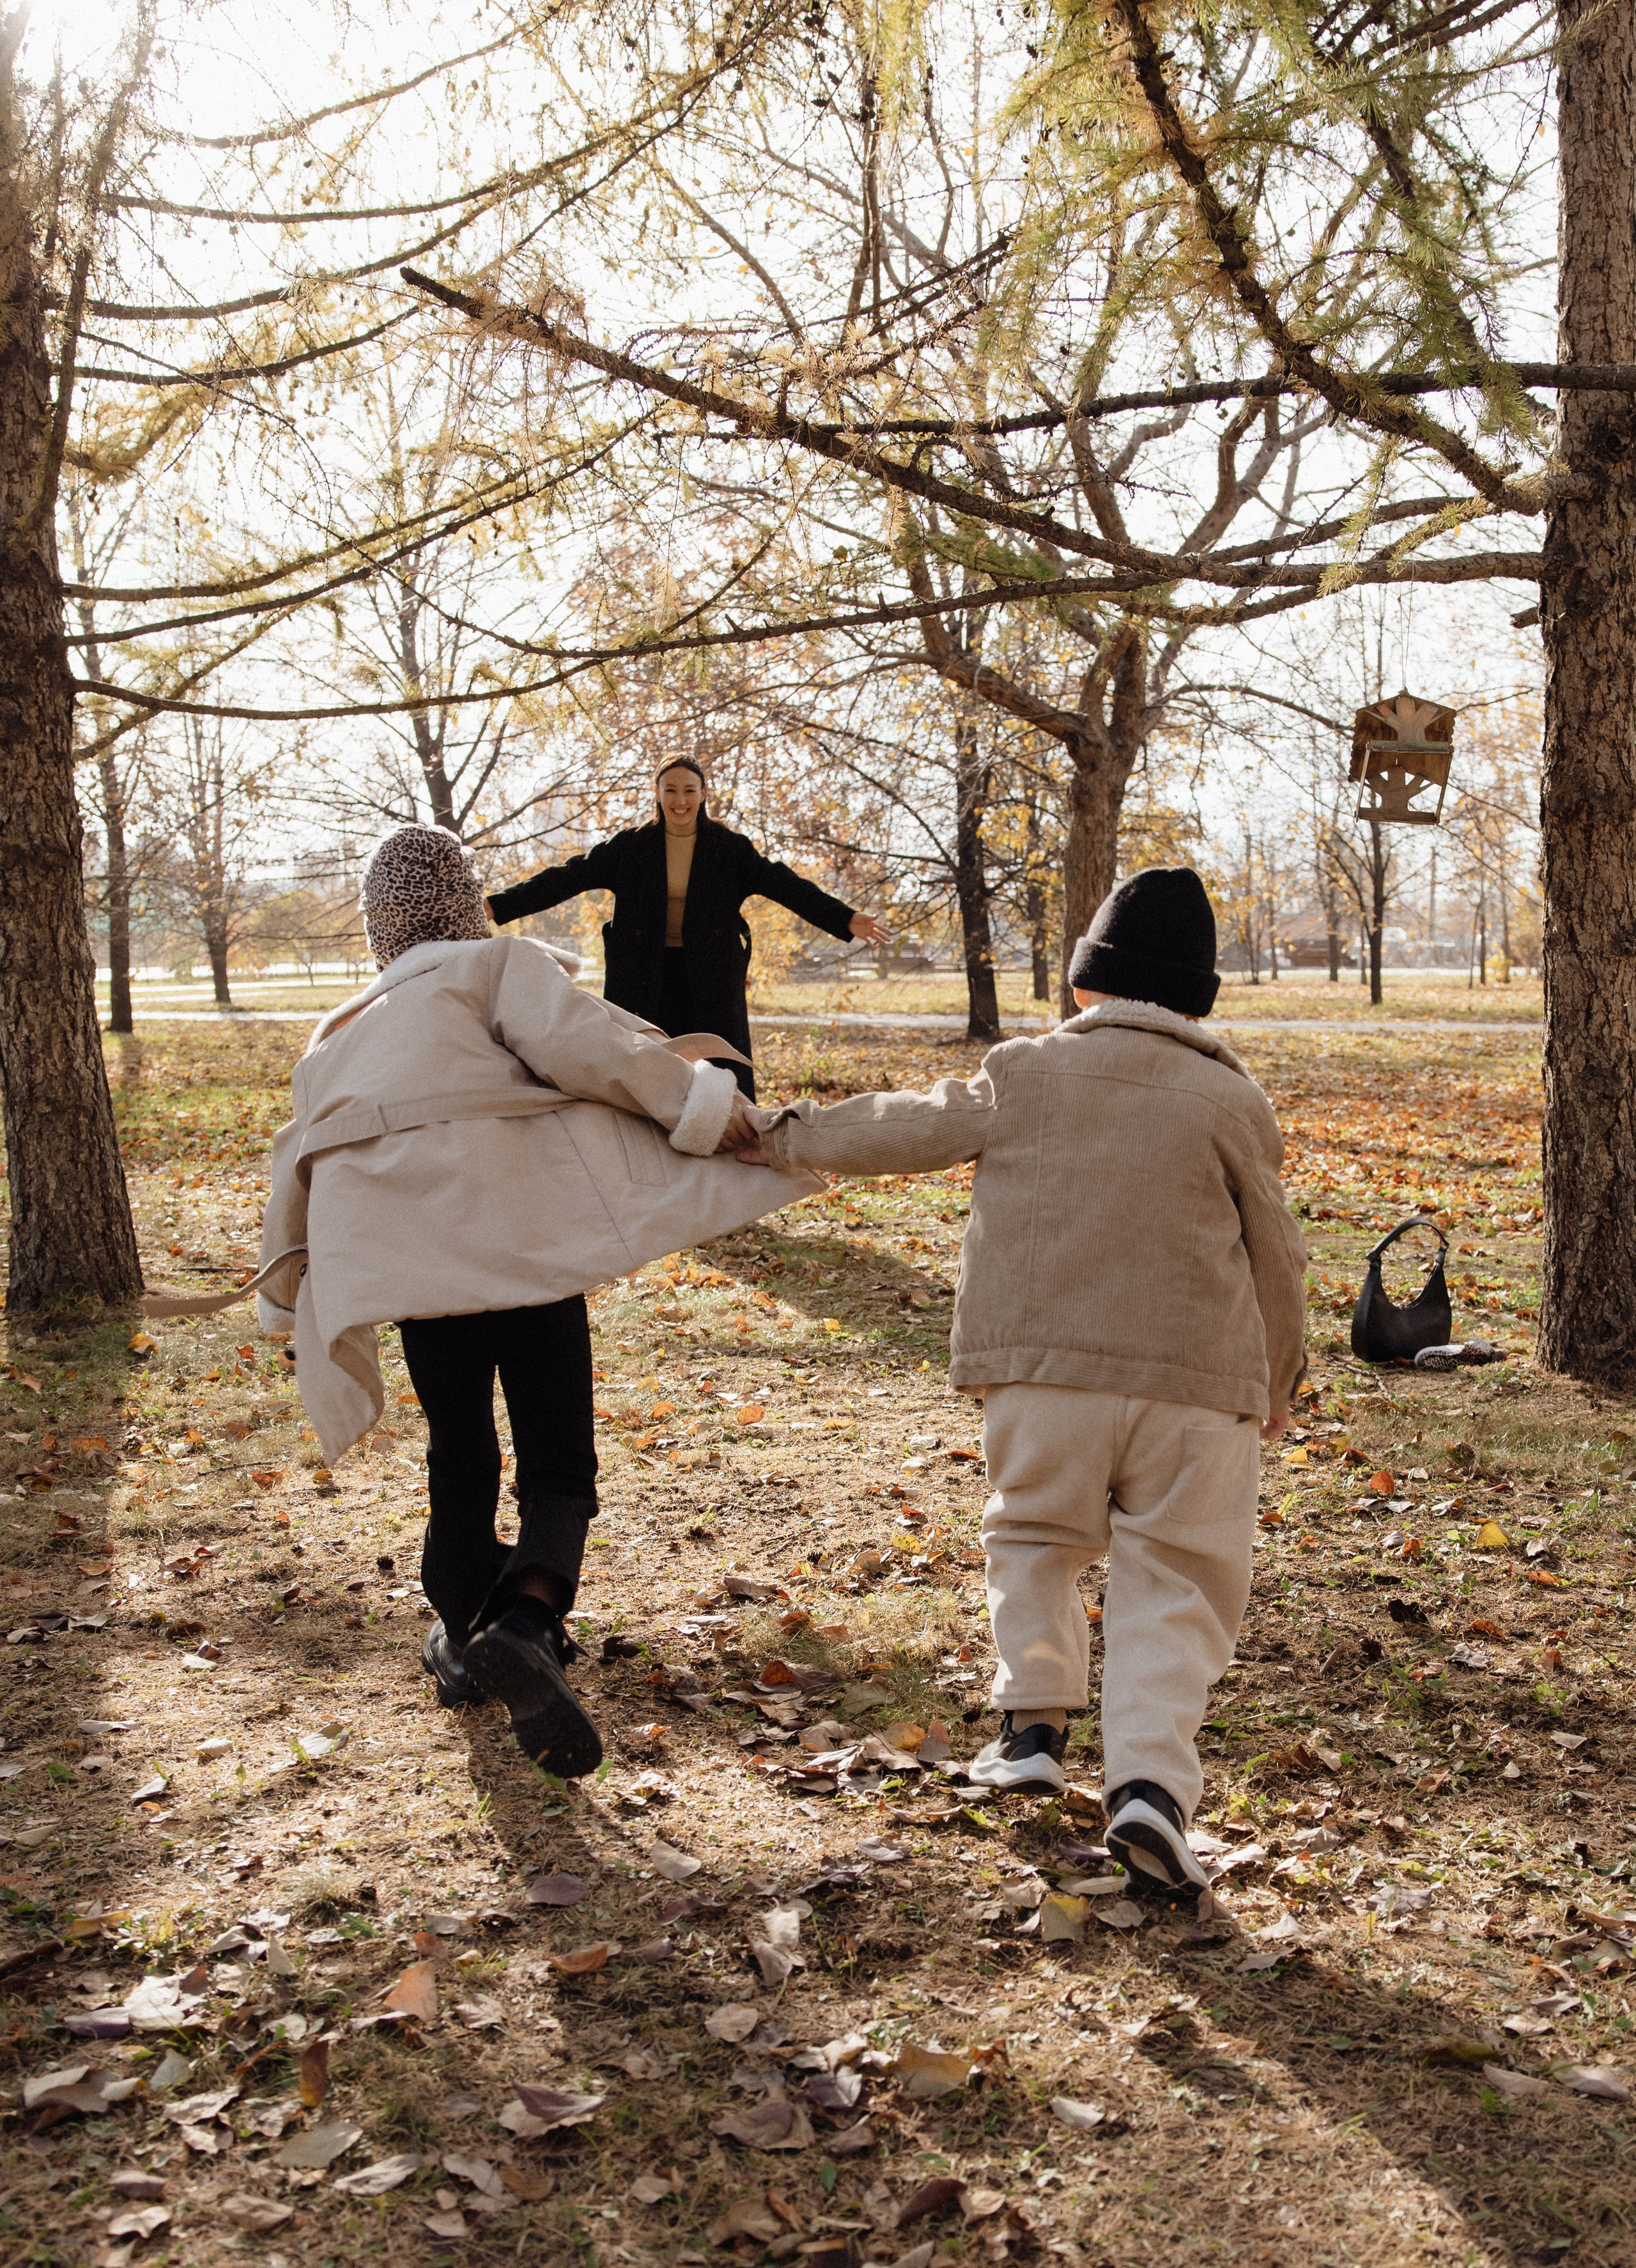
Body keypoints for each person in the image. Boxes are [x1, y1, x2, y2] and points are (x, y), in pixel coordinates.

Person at [737, 866, 1308, 1893]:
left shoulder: (1024, 1072)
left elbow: (903, 1126)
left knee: (1035, 1540)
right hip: (1197, 1388)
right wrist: (1279, 1383)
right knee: (1178, 1583)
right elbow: (1279, 1254)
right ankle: (1149, 1789)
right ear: (1196, 1003)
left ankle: (1032, 1733)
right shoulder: (1233, 1098)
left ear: (1085, 985)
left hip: (1045, 1379)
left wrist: (780, 1135)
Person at [255, 825, 813, 1777]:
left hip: (420, 1276)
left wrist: (285, 1302)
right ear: (466, 907)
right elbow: (595, 1048)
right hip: (529, 1251)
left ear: (379, 929)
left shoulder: (339, 1037)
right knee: (557, 1452)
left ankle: (462, 1633)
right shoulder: (497, 970)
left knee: (460, 1452)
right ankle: (526, 1616)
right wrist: (710, 1110)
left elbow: (295, 1162)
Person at [486, 756, 889, 1096]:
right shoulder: (631, 847)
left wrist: (846, 918)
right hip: (643, 972)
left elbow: (786, 886)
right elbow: (566, 878)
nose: (680, 800)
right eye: (671, 790)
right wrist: (495, 906)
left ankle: (739, 1138)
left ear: (703, 794)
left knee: (722, 1064)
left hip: (710, 972)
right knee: (643, 1065)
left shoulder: (729, 849)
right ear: (657, 793)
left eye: (689, 790)